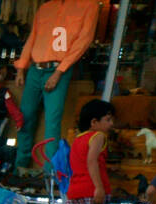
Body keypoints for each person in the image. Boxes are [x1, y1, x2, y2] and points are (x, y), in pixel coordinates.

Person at [13, 0, 99, 175]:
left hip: (59, 68)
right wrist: (21, 67)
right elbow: (33, 37)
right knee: (25, 118)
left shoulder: (88, 5)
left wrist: (60, 71)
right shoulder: (46, 7)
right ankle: (19, 167)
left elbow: (84, 40)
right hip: (35, 70)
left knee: (52, 121)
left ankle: (50, 172)